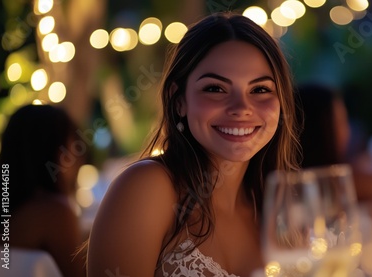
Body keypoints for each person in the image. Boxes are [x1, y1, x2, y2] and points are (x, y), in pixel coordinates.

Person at [87, 12, 301, 277]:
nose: (241, 108)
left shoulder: (282, 210)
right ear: (179, 100)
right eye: (215, 89)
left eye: (259, 90)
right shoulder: (147, 187)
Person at [0, 104, 86, 277]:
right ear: (60, 154)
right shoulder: (56, 212)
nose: (79, 158)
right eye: (74, 145)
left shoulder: (7, 209)